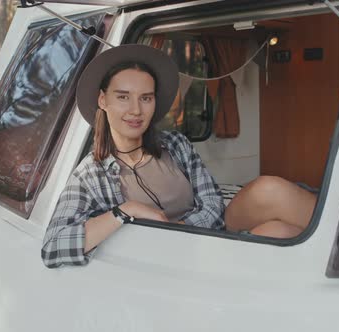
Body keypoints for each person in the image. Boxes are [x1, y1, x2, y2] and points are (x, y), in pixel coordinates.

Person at [42, 44, 316, 268]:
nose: (136, 110)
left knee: (274, 201)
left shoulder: (175, 144)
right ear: (103, 100)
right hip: (168, 262)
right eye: (123, 97)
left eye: (146, 98)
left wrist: (182, 229)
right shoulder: (90, 173)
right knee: (280, 236)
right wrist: (124, 211)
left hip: (210, 237)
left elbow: (211, 203)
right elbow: (53, 246)